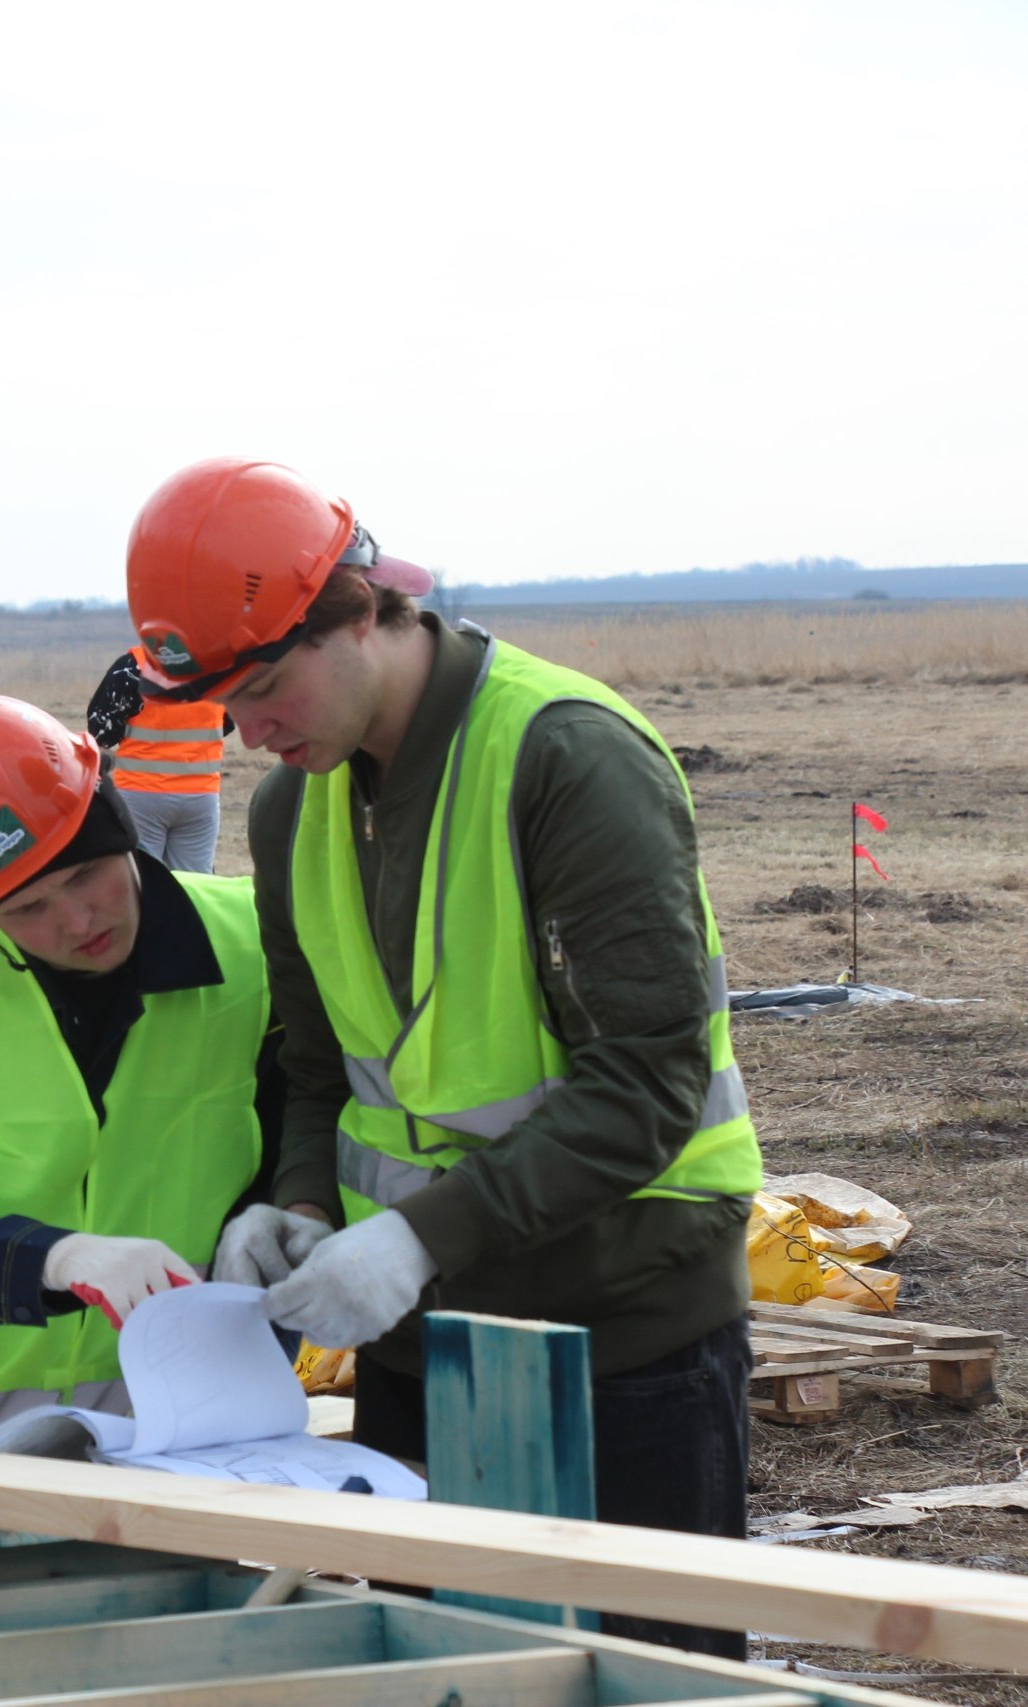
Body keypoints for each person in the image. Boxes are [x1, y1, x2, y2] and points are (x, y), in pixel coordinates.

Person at [125, 456, 762, 1658]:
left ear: (362, 612)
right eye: (222, 709)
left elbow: (648, 1084)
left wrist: (420, 1235)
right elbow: (317, 1067)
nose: (249, 733)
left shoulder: (565, 758)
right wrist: (299, 1198)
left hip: (619, 1339)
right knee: (449, 1676)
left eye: (265, 686)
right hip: (419, 1341)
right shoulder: (288, 808)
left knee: (649, 1680)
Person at [0, 691, 287, 1441]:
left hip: (185, 1433)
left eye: (86, 876)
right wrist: (56, 1258)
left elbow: (310, 1129)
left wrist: (289, 1211)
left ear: (123, 830)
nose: (76, 921)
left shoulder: (255, 948)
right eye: (29, 908)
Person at [85, 646, 228, 871]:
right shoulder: (218, 664)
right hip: (201, 795)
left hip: (141, 794)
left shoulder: (134, 665)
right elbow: (227, 722)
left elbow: (100, 730)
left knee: (146, 879)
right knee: (195, 886)